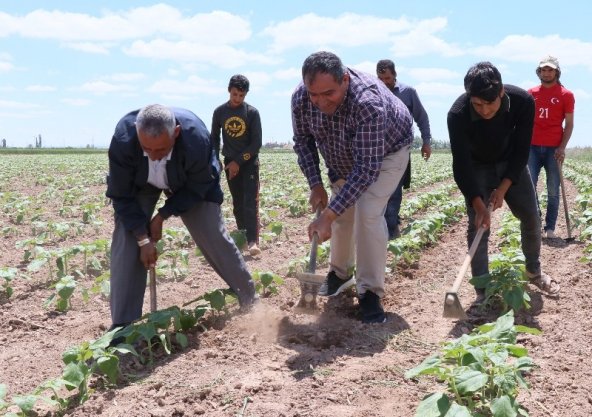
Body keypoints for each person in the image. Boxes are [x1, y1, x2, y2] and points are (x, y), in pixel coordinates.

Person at [106, 104, 257, 329]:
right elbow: (121, 196)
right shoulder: (123, 139)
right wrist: (143, 238)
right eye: (146, 149)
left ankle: (250, 301)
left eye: (161, 150)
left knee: (211, 232)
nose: (154, 157)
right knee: (127, 240)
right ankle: (123, 327)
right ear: (137, 134)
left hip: (188, 184)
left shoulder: (196, 139)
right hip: (140, 185)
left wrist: (163, 215)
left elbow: (200, 185)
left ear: (176, 133)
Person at [291, 51, 413, 324]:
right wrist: (315, 184)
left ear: (345, 80)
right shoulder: (301, 97)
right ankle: (340, 273)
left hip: (387, 153)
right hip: (341, 154)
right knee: (341, 213)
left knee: (368, 212)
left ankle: (370, 292)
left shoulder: (367, 102)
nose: (320, 102)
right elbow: (303, 142)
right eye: (314, 95)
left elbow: (367, 170)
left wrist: (327, 215)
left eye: (329, 94)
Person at [447, 62, 559, 304]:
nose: (485, 111)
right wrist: (479, 205)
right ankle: (482, 288)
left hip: (510, 162)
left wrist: (504, 187)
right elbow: (461, 165)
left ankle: (533, 271)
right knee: (478, 226)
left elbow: (521, 151)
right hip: (477, 167)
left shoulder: (522, 102)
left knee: (531, 215)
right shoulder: (458, 114)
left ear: (501, 93)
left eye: (490, 104)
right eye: (478, 104)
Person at [376, 59, 432, 239]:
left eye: (388, 78)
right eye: (381, 78)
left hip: (400, 149)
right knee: (376, 191)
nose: (385, 82)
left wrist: (426, 141)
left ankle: (391, 231)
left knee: (394, 190)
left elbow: (422, 118)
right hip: (377, 150)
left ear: (395, 75)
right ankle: (380, 229)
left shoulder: (408, 93)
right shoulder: (372, 92)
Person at [211, 74, 263, 255]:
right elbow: (214, 140)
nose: (237, 99)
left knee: (250, 202)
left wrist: (238, 162)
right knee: (238, 203)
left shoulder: (252, 113)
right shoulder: (219, 112)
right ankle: (241, 238)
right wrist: (215, 160)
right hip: (229, 164)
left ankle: (253, 241)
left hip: (249, 163)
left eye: (241, 96)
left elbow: (256, 144)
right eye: (235, 95)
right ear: (229, 91)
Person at [527, 55, 575, 239]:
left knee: (553, 189)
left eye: (550, 70)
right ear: (538, 72)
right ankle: (535, 224)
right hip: (531, 147)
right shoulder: (530, 93)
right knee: (530, 188)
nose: (546, 73)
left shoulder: (566, 95)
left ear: (556, 72)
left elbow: (569, 124)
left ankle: (550, 229)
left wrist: (562, 147)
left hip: (553, 149)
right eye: (543, 70)